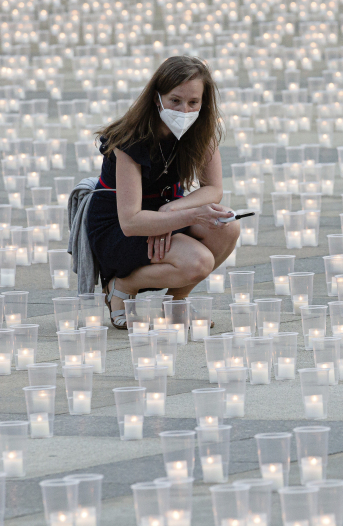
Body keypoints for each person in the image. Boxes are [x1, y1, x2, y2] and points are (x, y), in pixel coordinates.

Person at [87, 55, 238, 329]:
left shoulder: (201, 129)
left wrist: (172, 211)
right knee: (198, 262)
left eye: (194, 102)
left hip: (162, 214)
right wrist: (185, 215)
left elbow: (214, 188)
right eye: (175, 100)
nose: (184, 110)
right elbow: (131, 221)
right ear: (157, 98)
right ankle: (121, 285)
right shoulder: (131, 139)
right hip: (119, 230)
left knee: (228, 227)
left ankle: (175, 305)